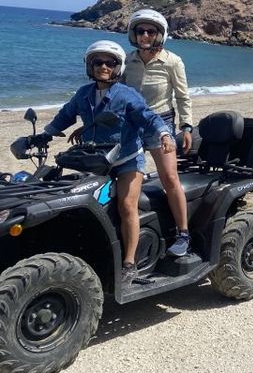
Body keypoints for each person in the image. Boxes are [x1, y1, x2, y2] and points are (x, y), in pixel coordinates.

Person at [39, 40, 174, 285]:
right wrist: (45, 134)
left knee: (127, 205)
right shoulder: (84, 94)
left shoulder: (126, 95)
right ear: (90, 66)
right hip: (96, 160)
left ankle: (130, 263)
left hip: (127, 160)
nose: (103, 67)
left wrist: (164, 134)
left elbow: (148, 117)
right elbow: (65, 115)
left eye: (109, 63)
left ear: (117, 67)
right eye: (98, 62)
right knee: (79, 201)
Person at [69, 9, 193, 257]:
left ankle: (183, 233)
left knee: (169, 177)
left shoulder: (172, 61)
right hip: (129, 124)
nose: (145, 35)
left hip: (159, 123)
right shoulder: (126, 61)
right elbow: (113, 94)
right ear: (133, 34)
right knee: (108, 172)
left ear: (160, 34)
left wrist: (186, 126)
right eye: (140, 31)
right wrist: (91, 122)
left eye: (150, 31)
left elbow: (182, 96)